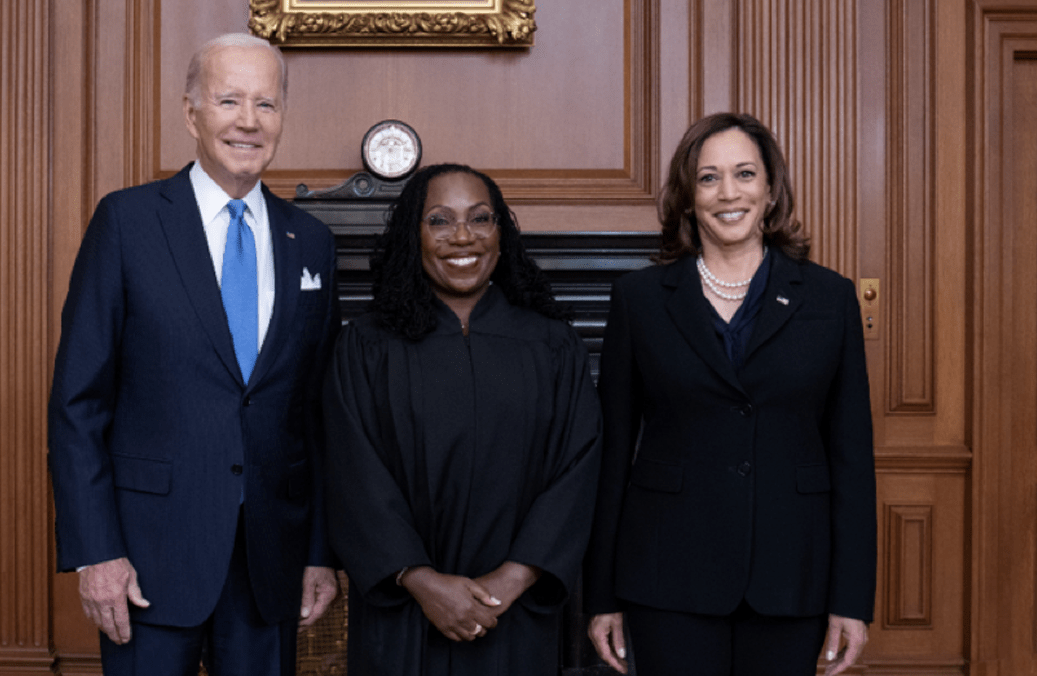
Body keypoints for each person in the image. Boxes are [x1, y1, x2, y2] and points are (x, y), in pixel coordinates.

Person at [48, 33, 339, 676]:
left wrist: (319, 552)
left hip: (272, 559)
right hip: (148, 557)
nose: (248, 121)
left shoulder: (310, 243)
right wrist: (97, 552)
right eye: (229, 100)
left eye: (266, 104)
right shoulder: (126, 223)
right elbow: (78, 404)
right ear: (191, 114)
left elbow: (315, 413)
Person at [584, 113, 877, 676]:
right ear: (688, 198)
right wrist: (602, 595)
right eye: (708, 178)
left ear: (770, 190)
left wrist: (852, 599)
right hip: (666, 573)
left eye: (744, 174)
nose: (729, 193)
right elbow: (612, 453)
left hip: (791, 574)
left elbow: (851, 457)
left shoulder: (829, 298)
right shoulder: (640, 299)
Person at [323, 164, 602, 675]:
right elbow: (351, 472)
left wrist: (511, 581)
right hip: (403, 615)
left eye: (480, 218)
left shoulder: (550, 345)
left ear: (502, 233)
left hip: (515, 613)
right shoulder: (367, 346)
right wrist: (421, 581)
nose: (462, 236)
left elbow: (577, 471)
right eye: (439, 220)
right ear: (415, 235)